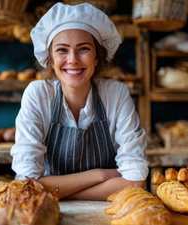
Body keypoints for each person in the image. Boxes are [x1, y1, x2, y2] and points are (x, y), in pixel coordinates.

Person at [10, 2, 148, 200]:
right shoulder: (38, 95)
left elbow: (135, 181)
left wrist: (57, 191)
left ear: (97, 57)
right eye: (62, 50)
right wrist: (98, 175)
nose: (73, 59)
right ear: (50, 58)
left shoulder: (116, 94)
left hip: (106, 213)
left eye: (83, 49)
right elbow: (27, 183)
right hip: (50, 211)